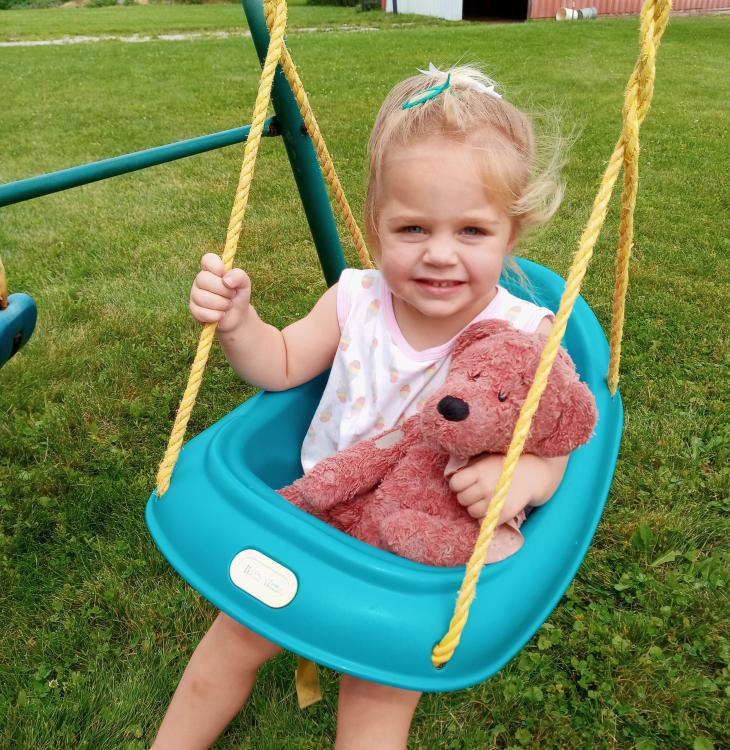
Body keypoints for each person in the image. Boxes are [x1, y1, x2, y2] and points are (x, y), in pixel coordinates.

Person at [152, 64, 569, 750]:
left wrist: (524, 477)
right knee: (226, 648)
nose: (439, 255)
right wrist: (239, 323)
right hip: (315, 514)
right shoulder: (355, 300)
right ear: (376, 225)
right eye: (412, 229)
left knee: (376, 701)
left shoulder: (524, 337)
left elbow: (557, 438)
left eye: (471, 231)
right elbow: (281, 363)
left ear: (511, 234)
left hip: (415, 549)